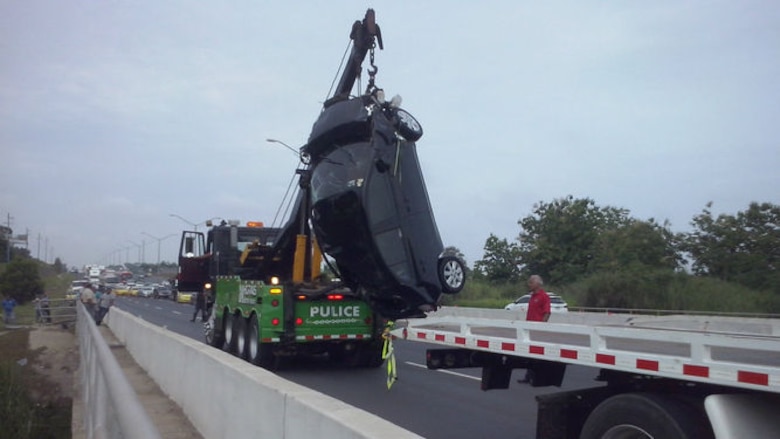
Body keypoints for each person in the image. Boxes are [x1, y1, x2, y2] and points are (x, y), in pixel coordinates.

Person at [518, 274, 551, 384]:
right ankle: (528, 376)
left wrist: (542, 326)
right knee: (530, 353)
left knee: (536, 354)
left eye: (531, 282)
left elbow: (547, 312)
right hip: (529, 328)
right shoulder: (532, 296)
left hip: (537, 329)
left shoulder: (543, 296)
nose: (529, 284)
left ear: (537, 284)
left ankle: (535, 376)